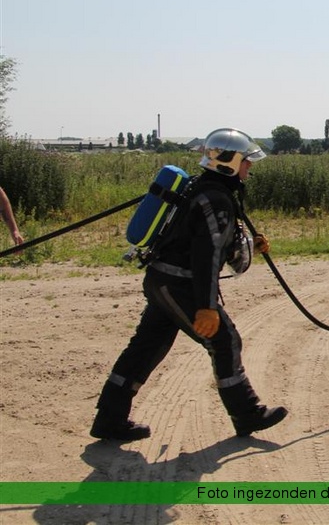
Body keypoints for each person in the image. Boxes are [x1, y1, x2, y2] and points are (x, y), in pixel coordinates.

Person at [90, 128, 287, 441]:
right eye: (246, 161)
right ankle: (246, 413)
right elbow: (206, 255)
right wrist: (206, 307)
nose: (250, 167)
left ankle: (109, 419)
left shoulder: (203, 189)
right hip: (180, 285)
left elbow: (201, 241)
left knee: (146, 347)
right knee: (224, 341)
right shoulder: (216, 199)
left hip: (162, 280)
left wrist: (249, 244)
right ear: (230, 163)